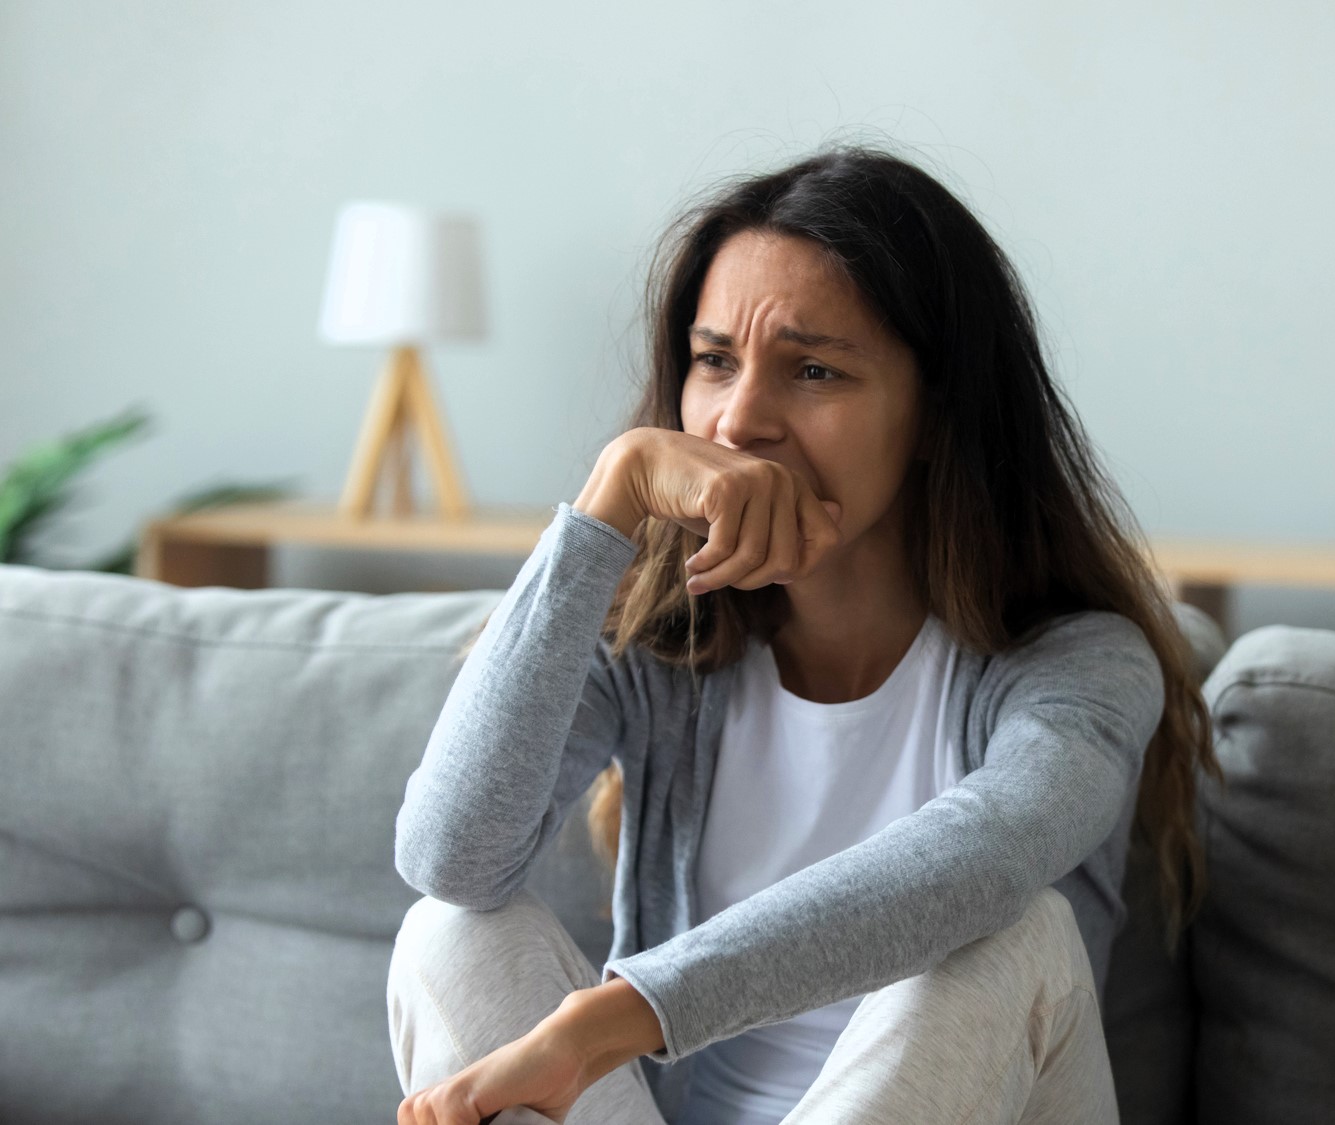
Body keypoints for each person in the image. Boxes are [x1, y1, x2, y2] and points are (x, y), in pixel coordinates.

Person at [385, 145, 1221, 1125]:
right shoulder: (660, 655)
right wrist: (609, 500)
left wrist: (610, 1020)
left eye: (813, 369)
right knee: (451, 934)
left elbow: (978, 864)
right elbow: (450, 856)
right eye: (712, 363)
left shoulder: (1080, 667)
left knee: (1014, 930)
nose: (739, 423)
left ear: (938, 412)